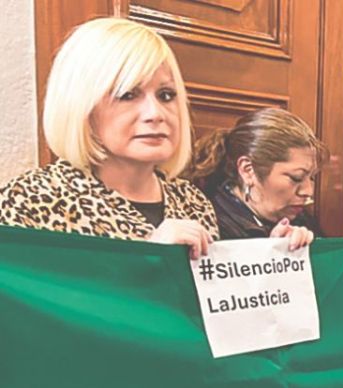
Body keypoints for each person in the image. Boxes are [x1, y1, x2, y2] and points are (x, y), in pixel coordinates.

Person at [0, 18, 217, 257]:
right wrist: (150, 259)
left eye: (166, 95)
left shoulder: (193, 202)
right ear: (82, 107)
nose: (155, 114)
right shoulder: (31, 199)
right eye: (127, 95)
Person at [184, 108, 319, 247]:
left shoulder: (302, 221)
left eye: (312, 178)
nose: (308, 191)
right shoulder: (210, 226)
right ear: (247, 170)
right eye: (296, 178)